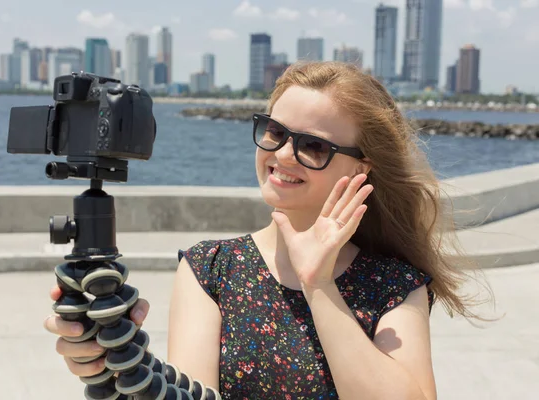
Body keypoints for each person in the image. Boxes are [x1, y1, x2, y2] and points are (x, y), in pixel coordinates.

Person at [44, 61, 489, 400]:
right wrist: (110, 365)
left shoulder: (394, 285)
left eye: (313, 145)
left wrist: (319, 285)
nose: (284, 154)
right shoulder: (212, 269)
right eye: (275, 132)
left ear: (362, 167)